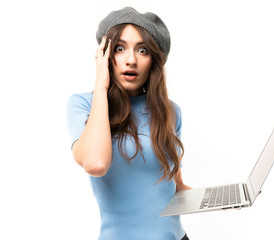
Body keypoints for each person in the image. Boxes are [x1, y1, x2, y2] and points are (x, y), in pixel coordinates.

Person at [67, 7, 190, 240]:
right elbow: (95, 163)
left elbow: (176, 187)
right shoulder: (83, 104)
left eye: (142, 50)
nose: (131, 60)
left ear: (154, 61)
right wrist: (102, 86)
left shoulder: (171, 111)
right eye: (120, 48)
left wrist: (223, 199)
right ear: (105, 55)